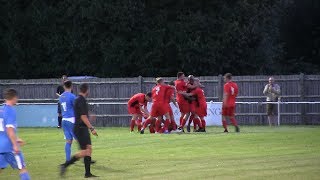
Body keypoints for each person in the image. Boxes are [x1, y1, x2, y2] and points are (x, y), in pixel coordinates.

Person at [60, 83, 98, 178]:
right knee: (85, 151)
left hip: (81, 128)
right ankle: (65, 165)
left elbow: (82, 113)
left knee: (88, 149)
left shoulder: (78, 99)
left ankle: (87, 173)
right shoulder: (81, 100)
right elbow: (83, 116)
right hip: (80, 128)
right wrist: (91, 128)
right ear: (87, 90)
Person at [0, 88, 31, 180]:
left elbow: (3, 130)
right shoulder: (10, 110)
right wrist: (15, 144)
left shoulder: (1, 110)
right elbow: (9, 129)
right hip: (9, 147)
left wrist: (16, 138)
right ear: (14, 98)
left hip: (0, 146)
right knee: (22, 168)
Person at [59, 80, 76, 162]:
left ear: (64, 86)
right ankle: (86, 159)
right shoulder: (72, 96)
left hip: (64, 120)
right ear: (71, 86)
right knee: (81, 140)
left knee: (68, 141)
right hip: (71, 120)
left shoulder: (61, 96)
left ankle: (68, 160)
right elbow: (77, 108)